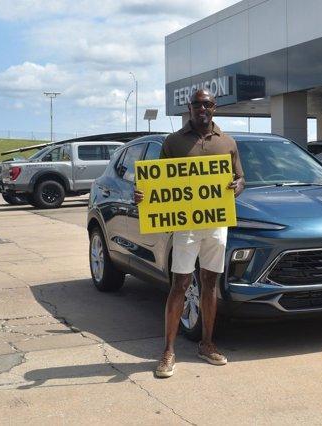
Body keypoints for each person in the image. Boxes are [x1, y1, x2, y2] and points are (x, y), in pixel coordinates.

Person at [134, 89, 245, 378]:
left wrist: (238, 186)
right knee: (180, 284)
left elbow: (240, 177)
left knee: (210, 283)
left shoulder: (228, 142)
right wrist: (142, 194)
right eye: (197, 104)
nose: (202, 109)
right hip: (186, 224)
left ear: (214, 107)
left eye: (207, 104)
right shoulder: (173, 142)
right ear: (190, 107)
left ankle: (207, 344)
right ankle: (168, 351)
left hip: (216, 222)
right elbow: (156, 181)